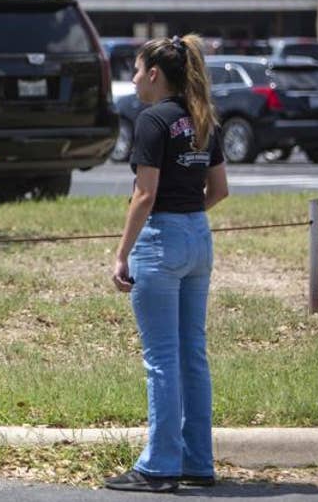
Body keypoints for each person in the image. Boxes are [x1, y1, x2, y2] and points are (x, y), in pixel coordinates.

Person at [106, 35, 228, 494]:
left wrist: (122, 253)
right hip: (198, 235)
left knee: (160, 359)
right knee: (191, 354)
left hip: (160, 239)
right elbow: (218, 190)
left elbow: (145, 194)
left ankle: (159, 465)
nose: (134, 79)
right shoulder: (202, 118)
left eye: (136, 70)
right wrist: (188, 217)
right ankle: (198, 461)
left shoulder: (152, 120)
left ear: (155, 74)